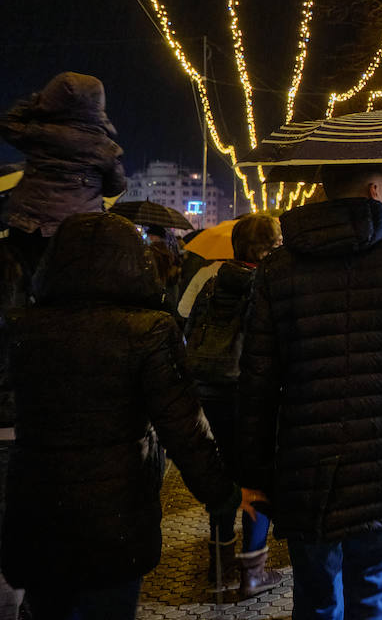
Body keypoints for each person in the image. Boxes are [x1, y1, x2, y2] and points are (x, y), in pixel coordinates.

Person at [1, 213, 261, 620]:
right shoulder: (148, 330)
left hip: (36, 510)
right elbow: (184, 428)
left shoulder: (20, 327)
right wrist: (224, 493)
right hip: (115, 519)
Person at [238, 164, 382, 620]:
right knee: (375, 595)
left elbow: (256, 378)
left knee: (317, 598)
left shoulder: (277, 269)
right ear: (374, 189)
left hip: (307, 466)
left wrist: (254, 475)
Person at [183, 212, 283, 598]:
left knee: (222, 472)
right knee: (256, 475)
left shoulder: (209, 277)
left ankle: (219, 561)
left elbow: (187, 324)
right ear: (271, 247)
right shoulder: (269, 283)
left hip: (209, 387)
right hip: (251, 390)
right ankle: (252, 571)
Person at [0, 72, 127, 283]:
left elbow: (7, 122)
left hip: (27, 227)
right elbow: (116, 187)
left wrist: (37, 103)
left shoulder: (38, 133)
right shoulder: (103, 146)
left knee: (26, 287)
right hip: (79, 231)